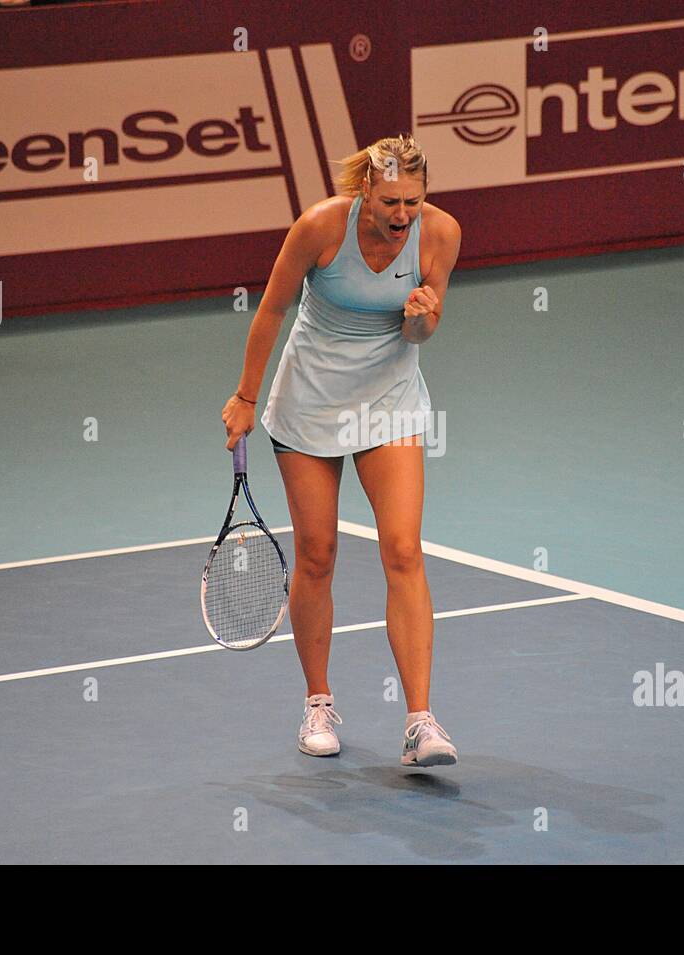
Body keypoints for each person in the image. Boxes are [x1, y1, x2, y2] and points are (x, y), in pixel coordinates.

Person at [221, 134, 463, 768]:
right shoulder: (320, 227)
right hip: (311, 400)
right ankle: (318, 702)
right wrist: (246, 397)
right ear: (365, 191)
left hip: (390, 402)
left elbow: (423, 331)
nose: (402, 214)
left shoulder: (440, 235)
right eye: (390, 201)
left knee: (404, 549)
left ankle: (420, 722)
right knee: (318, 553)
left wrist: (420, 318)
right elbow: (272, 309)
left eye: (413, 200)